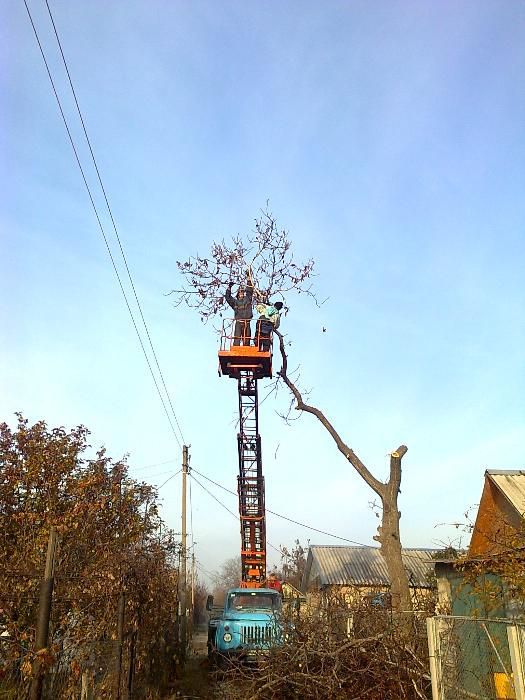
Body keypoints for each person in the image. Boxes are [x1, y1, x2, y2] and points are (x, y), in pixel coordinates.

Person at [225, 277, 254, 346]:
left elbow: (249, 291)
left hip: (247, 323)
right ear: (238, 294)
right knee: (236, 339)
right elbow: (228, 298)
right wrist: (229, 287)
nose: (241, 293)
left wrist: (249, 280)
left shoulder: (247, 299)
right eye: (240, 292)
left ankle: (247, 350)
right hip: (239, 323)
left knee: (247, 340)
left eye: (242, 292)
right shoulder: (235, 302)